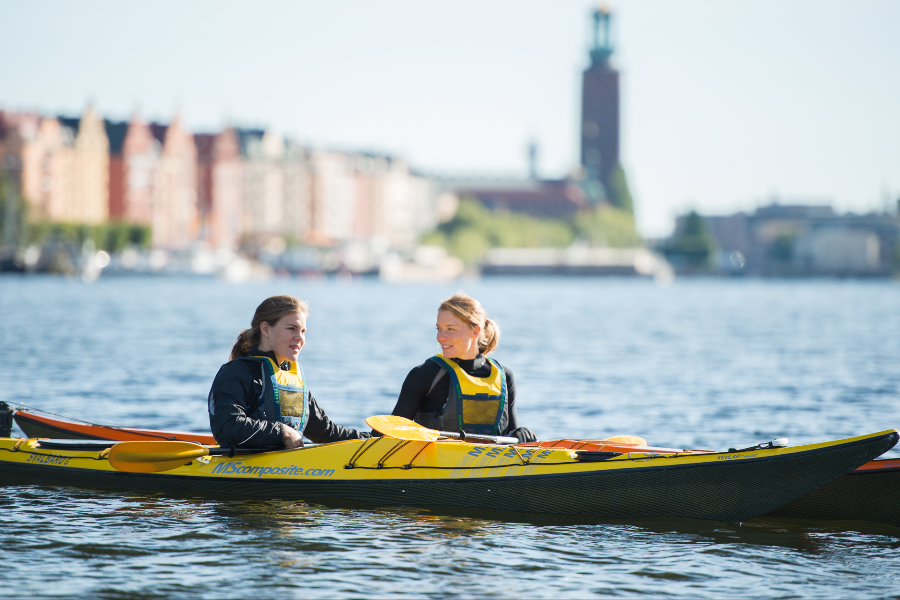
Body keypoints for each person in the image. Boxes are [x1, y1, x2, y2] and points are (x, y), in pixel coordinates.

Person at [208, 295, 370, 449]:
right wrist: (283, 432)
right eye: (292, 329)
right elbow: (228, 426)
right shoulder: (236, 373)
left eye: (303, 331)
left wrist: (374, 439)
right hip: (239, 465)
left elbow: (326, 432)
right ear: (265, 329)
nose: (300, 338)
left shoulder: (290, 377)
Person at [390, 293, 537, 443]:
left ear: (475, 331)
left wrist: (521, 434)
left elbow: (512, 441)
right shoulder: (424, 375)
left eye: (450, 329)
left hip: (490, 463)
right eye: (439, 329)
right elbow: (388, 434)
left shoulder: (505, 377)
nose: (441, 337)